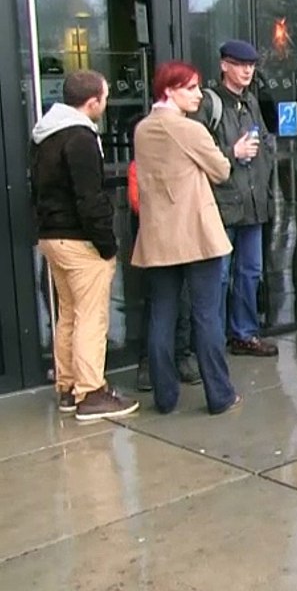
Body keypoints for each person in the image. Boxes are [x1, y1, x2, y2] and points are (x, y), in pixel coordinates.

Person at [132, 61, 243, 416]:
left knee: (162, 316)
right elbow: (223, 170)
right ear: (169, 90)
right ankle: (220, 395)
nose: (198, 94)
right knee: (206, 316)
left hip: (158, 236)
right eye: (191, 88)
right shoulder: (190, 130)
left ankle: (165, 398)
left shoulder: (142, 130)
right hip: (197, 234)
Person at [31, 69, 138, 421]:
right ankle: (91, 393)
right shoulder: (80, 138)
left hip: (51, 236)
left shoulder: (46, 134)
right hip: (79, 239)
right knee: (91, 317)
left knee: (69, 316)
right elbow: (89, 198)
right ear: (92, 102)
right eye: (104, 98)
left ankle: (68, 386)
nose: (105, 104)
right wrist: (107, 244)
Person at [197, 40, 279, 358]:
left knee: (251, 272)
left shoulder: (251, 102)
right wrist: (234, 153)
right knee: (217, 276)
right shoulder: (209, 103)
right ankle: (212, 341)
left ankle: (244, 334)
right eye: (240, 64)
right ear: (224, 66)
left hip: (253, 203)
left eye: (251, 65)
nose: (247, 70)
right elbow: (198, 155)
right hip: (222, 204)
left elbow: (263, 143)